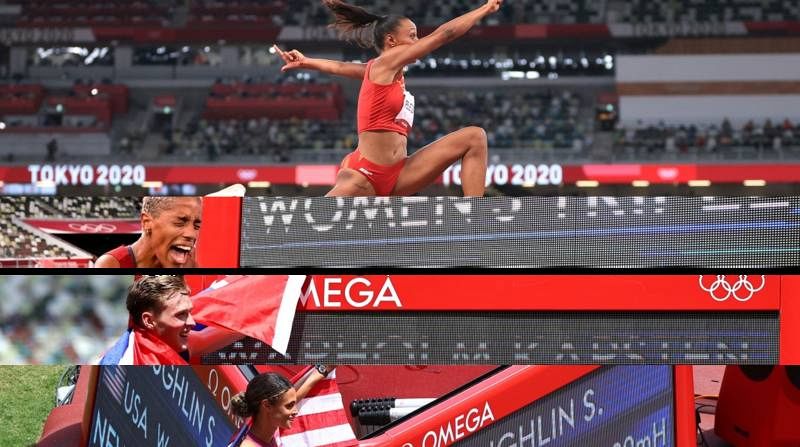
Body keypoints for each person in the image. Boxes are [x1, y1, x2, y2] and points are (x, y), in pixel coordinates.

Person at [274, 0, 502, 197]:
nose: (418, 41)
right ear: (391, 41)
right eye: (412, 36)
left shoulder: (385, 71)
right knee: (309, 225)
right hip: (364, 175)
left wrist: (307, 62)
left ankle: (474, 218)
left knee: (474, 137)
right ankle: (237, 204)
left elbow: (340, 67)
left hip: (400, 173)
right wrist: (484, 8)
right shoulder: (385, 63)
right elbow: (444, 34)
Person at [99, 275, 241, 364]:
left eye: (189, 312)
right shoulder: (123, 364)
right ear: (149, 321)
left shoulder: (164, 338)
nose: (191, 322)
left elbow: (204, 339)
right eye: (181, 314)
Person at [229, 367, 333, 447]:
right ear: (267, 405)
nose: (295, 411)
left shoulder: (264, 421)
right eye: (289, 406)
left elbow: (298, 392)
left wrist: (322, 371)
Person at [94, 196, 201, 268]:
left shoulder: (189, 262)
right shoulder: (112, 264)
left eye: (197, 226)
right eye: (179, 223)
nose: (191, 234)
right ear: (147, 222)